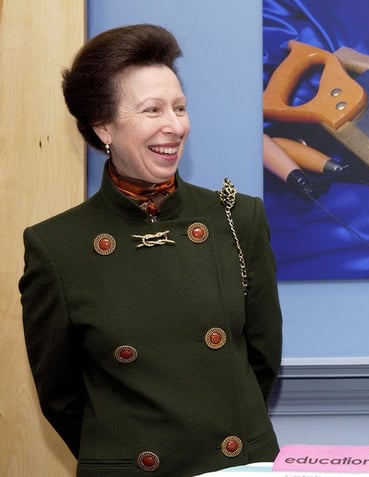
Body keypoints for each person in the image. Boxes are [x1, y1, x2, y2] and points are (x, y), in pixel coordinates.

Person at [19, 24, 283, 476]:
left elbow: (263, 359)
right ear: (103, 125)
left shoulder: (238, 218)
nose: (175, 126)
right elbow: (61, 397)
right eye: (152, 109)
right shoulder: (56, 247)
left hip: (236, 466)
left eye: (180, 107)